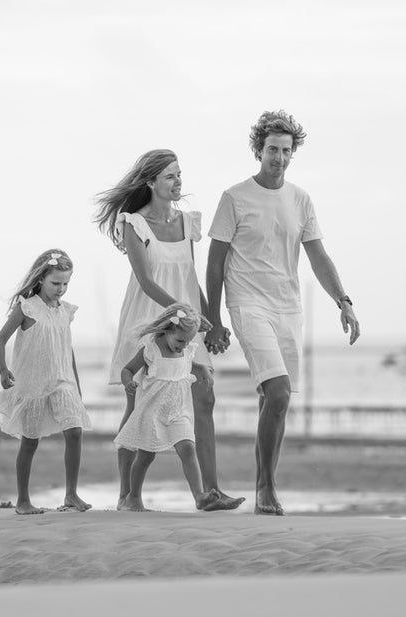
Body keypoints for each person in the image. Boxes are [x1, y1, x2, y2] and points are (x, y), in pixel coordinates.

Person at [204, 110, 360, 515]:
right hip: (248, 303)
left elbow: (318, 257)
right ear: (259, 150)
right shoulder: (234, 198)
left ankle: (264, 486)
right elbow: (215, 262)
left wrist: (343, 301)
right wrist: (215, 319)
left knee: (275, 400)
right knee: (277, 392)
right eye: (272, 149)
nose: (279, 157)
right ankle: (266, 488)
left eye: (286, 151)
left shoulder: (300, 199)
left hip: (287, 307)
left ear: (293, 154)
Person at [94, 149, 244, 511]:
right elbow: (146, 281)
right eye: (171, 177)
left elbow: (190, 277)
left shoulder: (188, 222)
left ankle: (209, 491)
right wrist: (180, 309)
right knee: (138, 406)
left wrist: (212, 320)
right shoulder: (134, 224)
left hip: (187, 320)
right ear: (151, 183)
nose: (179, 182)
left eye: (179, 175)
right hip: (149, 317)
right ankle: (127, 496)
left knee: (204, 395)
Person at [0, 249, 92, 514]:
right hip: (32, 383)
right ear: (41, 279)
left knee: (75, 431)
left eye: (66, 283)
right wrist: (3, 370)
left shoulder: (66, 311)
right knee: (30, 441)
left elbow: (68, 348)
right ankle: (22, 500)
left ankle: (71, 494)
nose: (61, 289)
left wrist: (76, 383)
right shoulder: (27, 308)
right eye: (56, 283)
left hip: (62, 381)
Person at [114, 304, 234, 512]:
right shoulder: (150, 350)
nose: (182, 346)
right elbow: (127, 369)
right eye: (179, 341)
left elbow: (188, 364)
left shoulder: (186, 349)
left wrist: (202, 368)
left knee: (188, 448)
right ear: (167, 329)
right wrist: (128, 382)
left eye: (187, 342)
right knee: (145, 456)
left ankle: (200, 496)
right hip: (152, 412)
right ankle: (133, 497)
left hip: (178, 412)